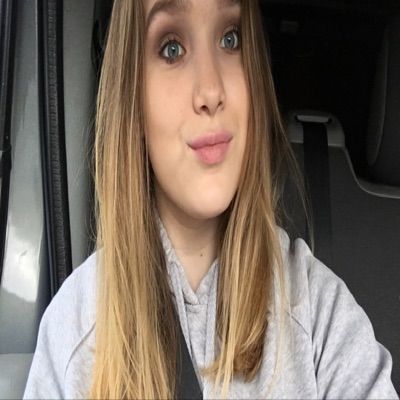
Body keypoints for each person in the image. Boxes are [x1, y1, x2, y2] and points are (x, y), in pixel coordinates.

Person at [23, 0, 398, 399]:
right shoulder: (74, 331)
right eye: (171, 48)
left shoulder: (319, 316)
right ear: (130, 93)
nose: (211, 91)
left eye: (231, 39)